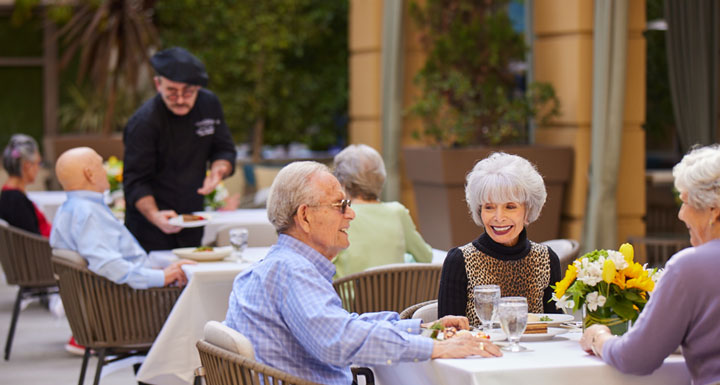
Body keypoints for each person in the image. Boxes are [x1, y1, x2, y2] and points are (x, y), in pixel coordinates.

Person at [225, 161, 501, 385]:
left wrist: (426, 330)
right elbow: (339, 342)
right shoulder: (291, 271)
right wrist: (435, 347)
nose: (351, 214)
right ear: (305, 216)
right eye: (340, 205)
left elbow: (343, 326)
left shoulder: (278, 266)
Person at [580, 145, 720, 384]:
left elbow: (635, 357)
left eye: (685, 202)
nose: (680, 214)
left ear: (713, 211)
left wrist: (599, 337)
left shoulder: (690, 267)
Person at [123, 46, 237, 251]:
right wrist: (155, 215)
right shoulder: (144, 122)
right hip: (149, 227)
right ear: (158, 85)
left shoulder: (209, 104)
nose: (181, 100)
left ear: (197, 88)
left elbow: (224, 149)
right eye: (172, 93)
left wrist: (220, 168)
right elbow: (136, 180)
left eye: (188, 92)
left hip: (192, 217)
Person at [437, 152, 562, 326]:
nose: (499, 217)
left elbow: (557, 324)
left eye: (510, 207)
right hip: (479, 352)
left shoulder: (547, 259)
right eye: (489, 207)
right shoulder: (460, 260)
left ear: (529, 210)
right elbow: (449, 333)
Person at [50, 147, 195, 289]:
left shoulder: (66, 210)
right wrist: (162, 277)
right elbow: (106, 264)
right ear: (90, 174)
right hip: (131, 300)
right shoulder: (88, 212)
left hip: (118, 296)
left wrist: (159, 271)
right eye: (101, 165)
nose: (105, 170)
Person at [331, 144, 432, 278]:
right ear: (381, 177)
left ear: (342, 182)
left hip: (350, 298)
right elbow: (425, 256)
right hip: (396, 298)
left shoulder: (338, 215)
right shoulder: (397, 212)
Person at [0, 134, 51, 236]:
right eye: (38, 163)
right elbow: (32, 239)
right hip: (44, 250)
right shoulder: (16, 201)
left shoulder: (8, 195)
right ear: (27, 165)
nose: (38, 168)